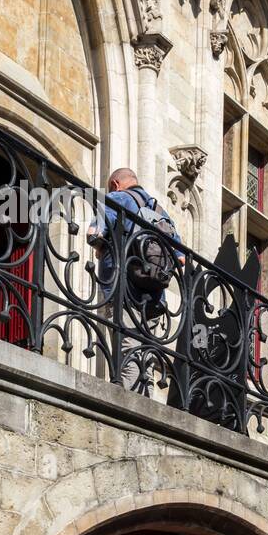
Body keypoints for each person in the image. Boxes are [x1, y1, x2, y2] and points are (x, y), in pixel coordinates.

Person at [86, 167, 184, 393]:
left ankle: (128, 405)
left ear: (114, 183)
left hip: (123, 287)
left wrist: (100, 247)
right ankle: (145, 399)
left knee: (127, 347)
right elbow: (180, 258)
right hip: (154, 293)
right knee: (146, 354)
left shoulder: (116, 197)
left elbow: (94, 233)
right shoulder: (159, 211)